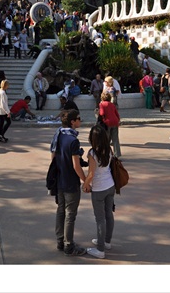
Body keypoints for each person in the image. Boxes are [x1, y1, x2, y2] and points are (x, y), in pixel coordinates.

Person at [50, 109, 87, 256]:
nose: (80, 121)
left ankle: (60, 241)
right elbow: (76, 166)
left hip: (59, 180)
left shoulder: (58, 135)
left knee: (60, 211)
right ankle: (69, 246)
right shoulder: (73, 140)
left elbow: (53, 157)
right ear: (72, 122)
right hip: (71, 182)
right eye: (79, 118)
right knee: (70, 215)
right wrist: (86, 181)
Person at [83, 125, 116, 259]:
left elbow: (91, 174)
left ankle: (100, 249)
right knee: (109, 215)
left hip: (98, 189)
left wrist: (85, 185)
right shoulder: (109, 149)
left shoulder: (92, 153)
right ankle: (106, 242)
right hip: (110, 186)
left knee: (100, 219)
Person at [98, 92, 121, 158]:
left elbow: (102, 113)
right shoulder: (112, 104)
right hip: (115, 122)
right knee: (115, 139)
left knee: (106, 138)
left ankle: (105, 153)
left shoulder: (102, 104)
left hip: (107, 123)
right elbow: (117, 114)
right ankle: (117, 155)